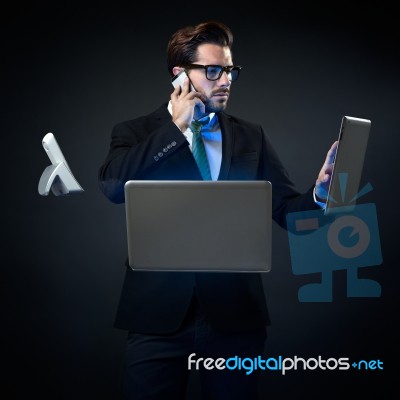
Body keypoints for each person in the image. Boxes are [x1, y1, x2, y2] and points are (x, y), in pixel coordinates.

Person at [98, 20, 337, 400]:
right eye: (213, 71)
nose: (224, 80)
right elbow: (113, 186)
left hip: (235, 316)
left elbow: (290, 212)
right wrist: (176, 128)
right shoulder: (136, 132)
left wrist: (321, 194)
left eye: (229, 70)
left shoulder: (249, 135)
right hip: (157, 315)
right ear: (180, 75)